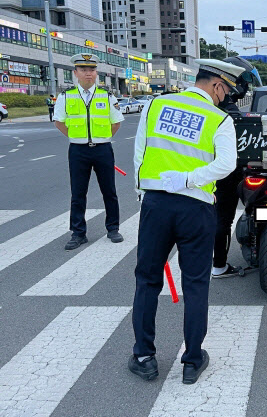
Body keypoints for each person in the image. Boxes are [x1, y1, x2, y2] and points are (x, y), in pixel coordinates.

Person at [129, 59, 242, 385]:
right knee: (195, 284)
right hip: (197, 208)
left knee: (148, 279)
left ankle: (144, 357)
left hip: (156, 204)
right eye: (226, 91)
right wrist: (190, 179)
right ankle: (192, 361)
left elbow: (140, 154)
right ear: (217, 85)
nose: (225, 98)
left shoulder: (155, 105)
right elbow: (226, 165)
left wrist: (144, 195)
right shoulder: (219, 120)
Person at [53, 54, 124, 251]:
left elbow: (116, 123)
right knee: (78, 193)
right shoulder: (66, 96)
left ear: (96, 73)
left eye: (92, 70)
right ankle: (78, 233)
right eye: (83, 70)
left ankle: (113, 228)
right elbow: (59, 122)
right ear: (75, 73)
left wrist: (100, 139)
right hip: (78, 150)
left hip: (103, 149)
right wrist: (79, 138)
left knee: (109, 191)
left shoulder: (106, 95)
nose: (88, 73)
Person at [211, 56, 262, 278]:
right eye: (245, 82)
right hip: (229, 171)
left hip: (208, 170)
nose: (246, 88)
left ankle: (217, 264)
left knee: (219, 218)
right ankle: (219, 265)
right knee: (224, 218)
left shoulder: (210, 104)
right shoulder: (229, 109)